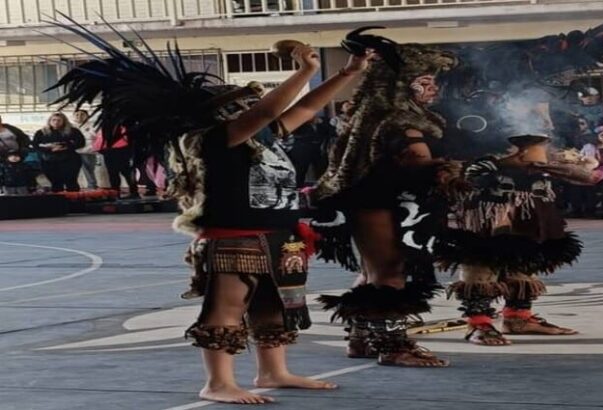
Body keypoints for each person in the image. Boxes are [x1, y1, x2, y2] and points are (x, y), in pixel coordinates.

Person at [48, 19, 378, 403]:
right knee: (227, 309)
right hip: (234, 235)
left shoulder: (260, 139)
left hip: (279, 233)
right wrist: (303, 70)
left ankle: (274, 372)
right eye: (242, 105)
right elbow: (266, 113)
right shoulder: (212, 139)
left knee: (274, 308)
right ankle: (218, 382)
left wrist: (346, 73)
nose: (251, 107)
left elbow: (304, 107)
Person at [311, 37, 457, 367]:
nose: (432, 89)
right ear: (400, 86)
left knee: (374, 272)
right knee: (390, 273)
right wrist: (453, 170)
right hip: (375, 202)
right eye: (425, 82)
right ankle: (392, 345)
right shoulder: (396, 121)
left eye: (433, 81)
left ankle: (362, 338)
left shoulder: (378, 116)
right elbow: (419, 164)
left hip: (379, 202)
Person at [434, 135, 602, 345]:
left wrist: (560, 164)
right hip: (486, 215)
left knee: (524, 260)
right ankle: (478, 322)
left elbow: (589, 176)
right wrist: (501, 162)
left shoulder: (543, 158)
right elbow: (459, 173)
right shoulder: (482, 142)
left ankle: (518, 317)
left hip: (530, 214)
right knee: (482, 263)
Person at [32, 112, 85, 192]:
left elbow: (81, 143)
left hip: (69, 160)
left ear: (64, 121)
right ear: (49, 121)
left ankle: (74, 201)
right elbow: (35, 145)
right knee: (56, 184)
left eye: (59, 120)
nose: (56, 122)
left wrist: (65, 147)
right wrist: (49, 149)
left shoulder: (73, 131)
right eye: (54, 120)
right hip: (50, 161)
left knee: (71, 183)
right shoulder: (41, 132)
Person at [93, 127, 139, 198]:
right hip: (122, 151)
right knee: (126, 173)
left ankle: (116, 194)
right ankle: (134, 192)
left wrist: (103, 151)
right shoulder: (123, 127)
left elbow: (98, 143)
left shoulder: (105, 129)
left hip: (111, 152)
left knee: (114, 175)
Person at [72, 109, 99, 190]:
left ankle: (92, 186)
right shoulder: (71, 126)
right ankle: (73, 187)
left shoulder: (93, 125)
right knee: (72, 170)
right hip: (73, 151)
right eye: (77, 114)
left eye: (82, 114)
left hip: (88, 150)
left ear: (87, 116)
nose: (79, 116)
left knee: (88, 169)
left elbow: (96, 136)